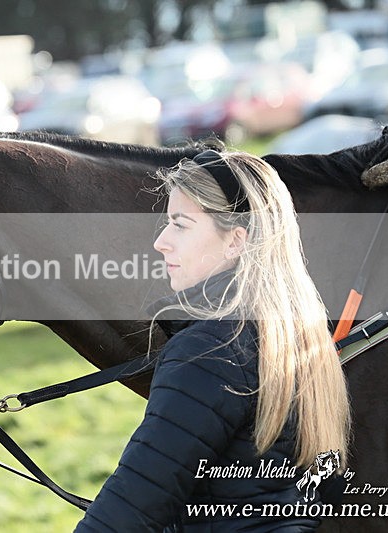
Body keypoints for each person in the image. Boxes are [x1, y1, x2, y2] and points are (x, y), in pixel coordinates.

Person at [75, 150, 350, 532]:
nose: (161, 242)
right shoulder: (297, 335)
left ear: (236, 241)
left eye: (181, 225)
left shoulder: (211, 349)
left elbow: (133, 507)